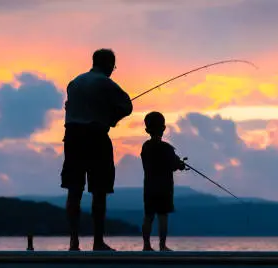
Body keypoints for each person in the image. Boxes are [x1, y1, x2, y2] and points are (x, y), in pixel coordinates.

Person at [61, 48, 133, 251]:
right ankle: (98, 241)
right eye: (114, 66)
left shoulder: (73, 83)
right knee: (99, 192)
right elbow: (127, 106)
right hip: (96, 137)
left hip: (72, 138)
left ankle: (73, 242)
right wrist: (113, 118)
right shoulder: (106, 83)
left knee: (74, 191)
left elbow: (69, 108)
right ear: (109, 65)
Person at [140, 111, 187, 251]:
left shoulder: (145, 147)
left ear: (147, 129)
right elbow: (174, 165)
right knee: (162, 216)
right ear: (164, 128)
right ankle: (162, 246)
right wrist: (180, 164)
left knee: (148, 216)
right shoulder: (167, 148)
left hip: (149, 187)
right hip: (164, 188)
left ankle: (146, 246)